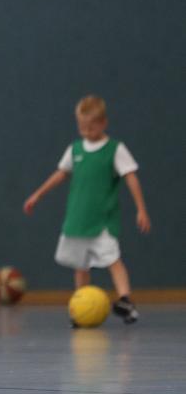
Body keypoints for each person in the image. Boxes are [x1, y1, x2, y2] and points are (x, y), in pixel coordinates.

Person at [24, 95, 150, 324]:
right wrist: (38, 194)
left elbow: (131, 177)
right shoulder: (75, 149)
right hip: (77, 219)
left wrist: (141, 209)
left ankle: (126, 300)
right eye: (82, 127)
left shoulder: (115, 149)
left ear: (103, 123)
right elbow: (61, 174)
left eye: (91, 127)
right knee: (80, 265)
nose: (86, 131)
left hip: (102, 221)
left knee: (113, 259)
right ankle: (80, 306)